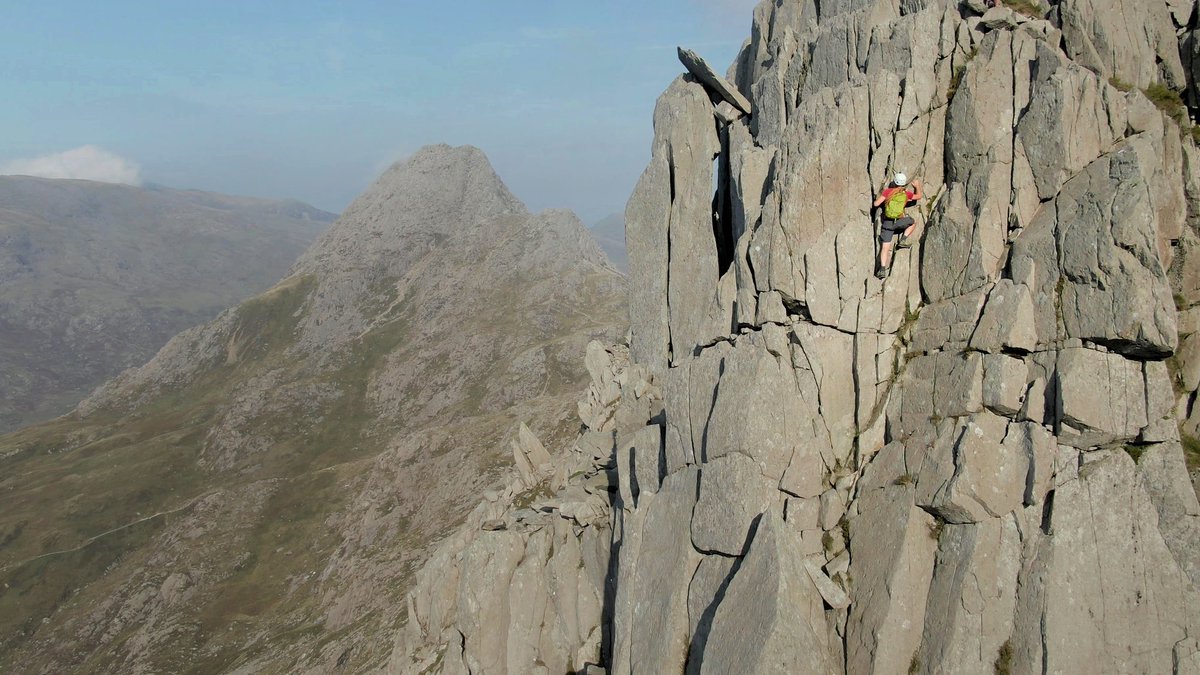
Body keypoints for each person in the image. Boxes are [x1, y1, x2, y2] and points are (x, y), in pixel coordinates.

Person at [873, 172, 923, 279]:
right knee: (912, 222)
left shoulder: (888, 192)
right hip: (899, 222)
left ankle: (882, 270)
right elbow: (919, 196)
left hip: (887, 223)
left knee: (885, 247)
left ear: (894, 182)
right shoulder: (905, 194)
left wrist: (884, 201)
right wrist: (917, 186)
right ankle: (903, 240)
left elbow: (876, 204)